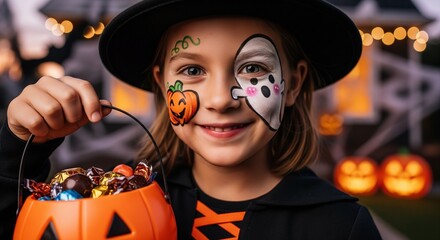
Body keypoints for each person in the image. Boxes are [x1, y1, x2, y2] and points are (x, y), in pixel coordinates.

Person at [0, 0, 383, 239]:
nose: (219, 99)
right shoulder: (117, 203)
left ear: (294, 83)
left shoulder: (339, 227)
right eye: (192, 71)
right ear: (161, 83)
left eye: (251, 69)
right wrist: (16, 144)